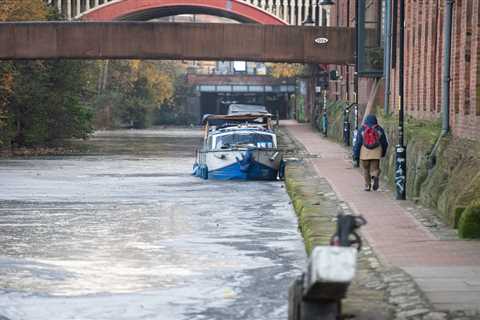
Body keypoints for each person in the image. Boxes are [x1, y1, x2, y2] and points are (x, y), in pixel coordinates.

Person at [353, 114, 388, 191]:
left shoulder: (362, 129)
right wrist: (383, 153)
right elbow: (384, 143)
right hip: (376, 151)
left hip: (364, 152)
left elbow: (358, 143)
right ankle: (375, 176)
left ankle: (367, 185)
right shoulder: (379, 129)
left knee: (366, 169)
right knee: (375, 169)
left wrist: (356, 155)